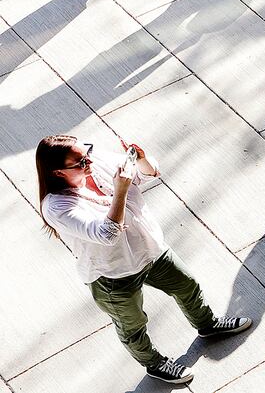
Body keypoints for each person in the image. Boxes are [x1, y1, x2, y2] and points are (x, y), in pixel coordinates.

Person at [36, 136, 253, 387]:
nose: (90, 161)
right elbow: (107, 233)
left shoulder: (98, 163)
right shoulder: (57, 206)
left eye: (88, 152)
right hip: (113, 275)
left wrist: (141, 159)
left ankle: (208, 325)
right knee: (134, 327)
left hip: (150, 250)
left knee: (187, 285)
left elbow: (148, 174)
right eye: (80, 161)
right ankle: (155, 364)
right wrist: (121, 189)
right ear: (58, 172)